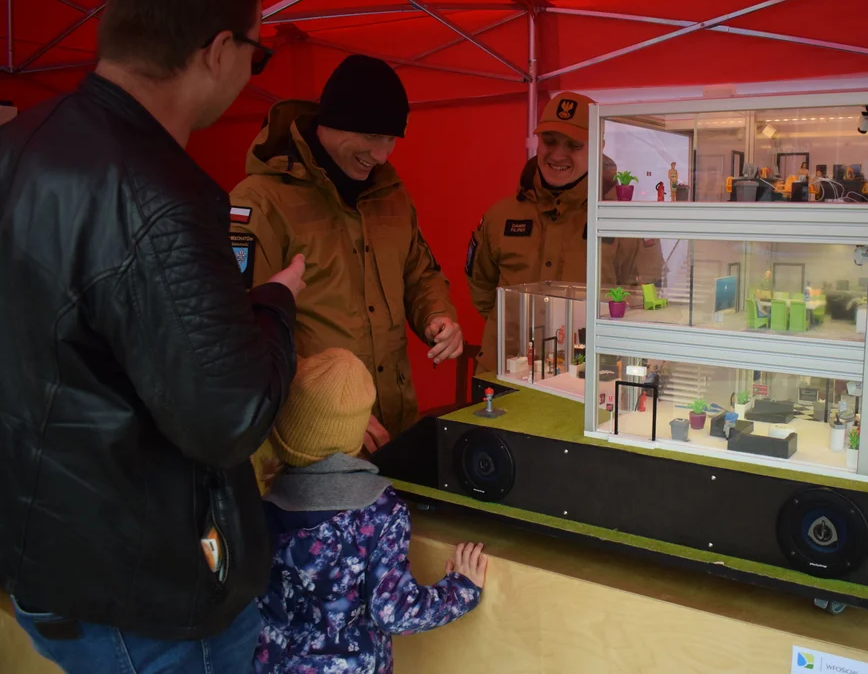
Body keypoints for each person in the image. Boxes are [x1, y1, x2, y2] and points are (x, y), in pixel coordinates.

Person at [0, 0, 303, 672]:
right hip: (143, 592)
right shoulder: (158, 193)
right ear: (220, 50)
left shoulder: (19, 146)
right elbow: (225, 416)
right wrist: (276, 307)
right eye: (256, 54)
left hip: (44, 561)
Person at [230, 55, 461, 459]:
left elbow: (420, 273)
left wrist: (438, 316)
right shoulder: (260, 203)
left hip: (393, 428)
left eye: (391, 139)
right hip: (309, 447)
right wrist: (328, 406)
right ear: (331, 122)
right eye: (372, 136)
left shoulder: (391, 195)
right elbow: (238, 329)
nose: (383, 154)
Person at [255, 348, 486, 673]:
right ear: (357, 430)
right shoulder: (378, 512)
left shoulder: (261, 506)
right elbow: (394, 612)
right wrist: (461, 589)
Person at [466, 92, 665, 373]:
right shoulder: (501, 216)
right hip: (504, 372)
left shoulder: (625, 223)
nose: (557, 154)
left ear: (598, 146)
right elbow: (483, 291)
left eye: (573, 145)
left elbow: (645, 305)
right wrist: (514, 328)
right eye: (549, 141)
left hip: (586, 380)